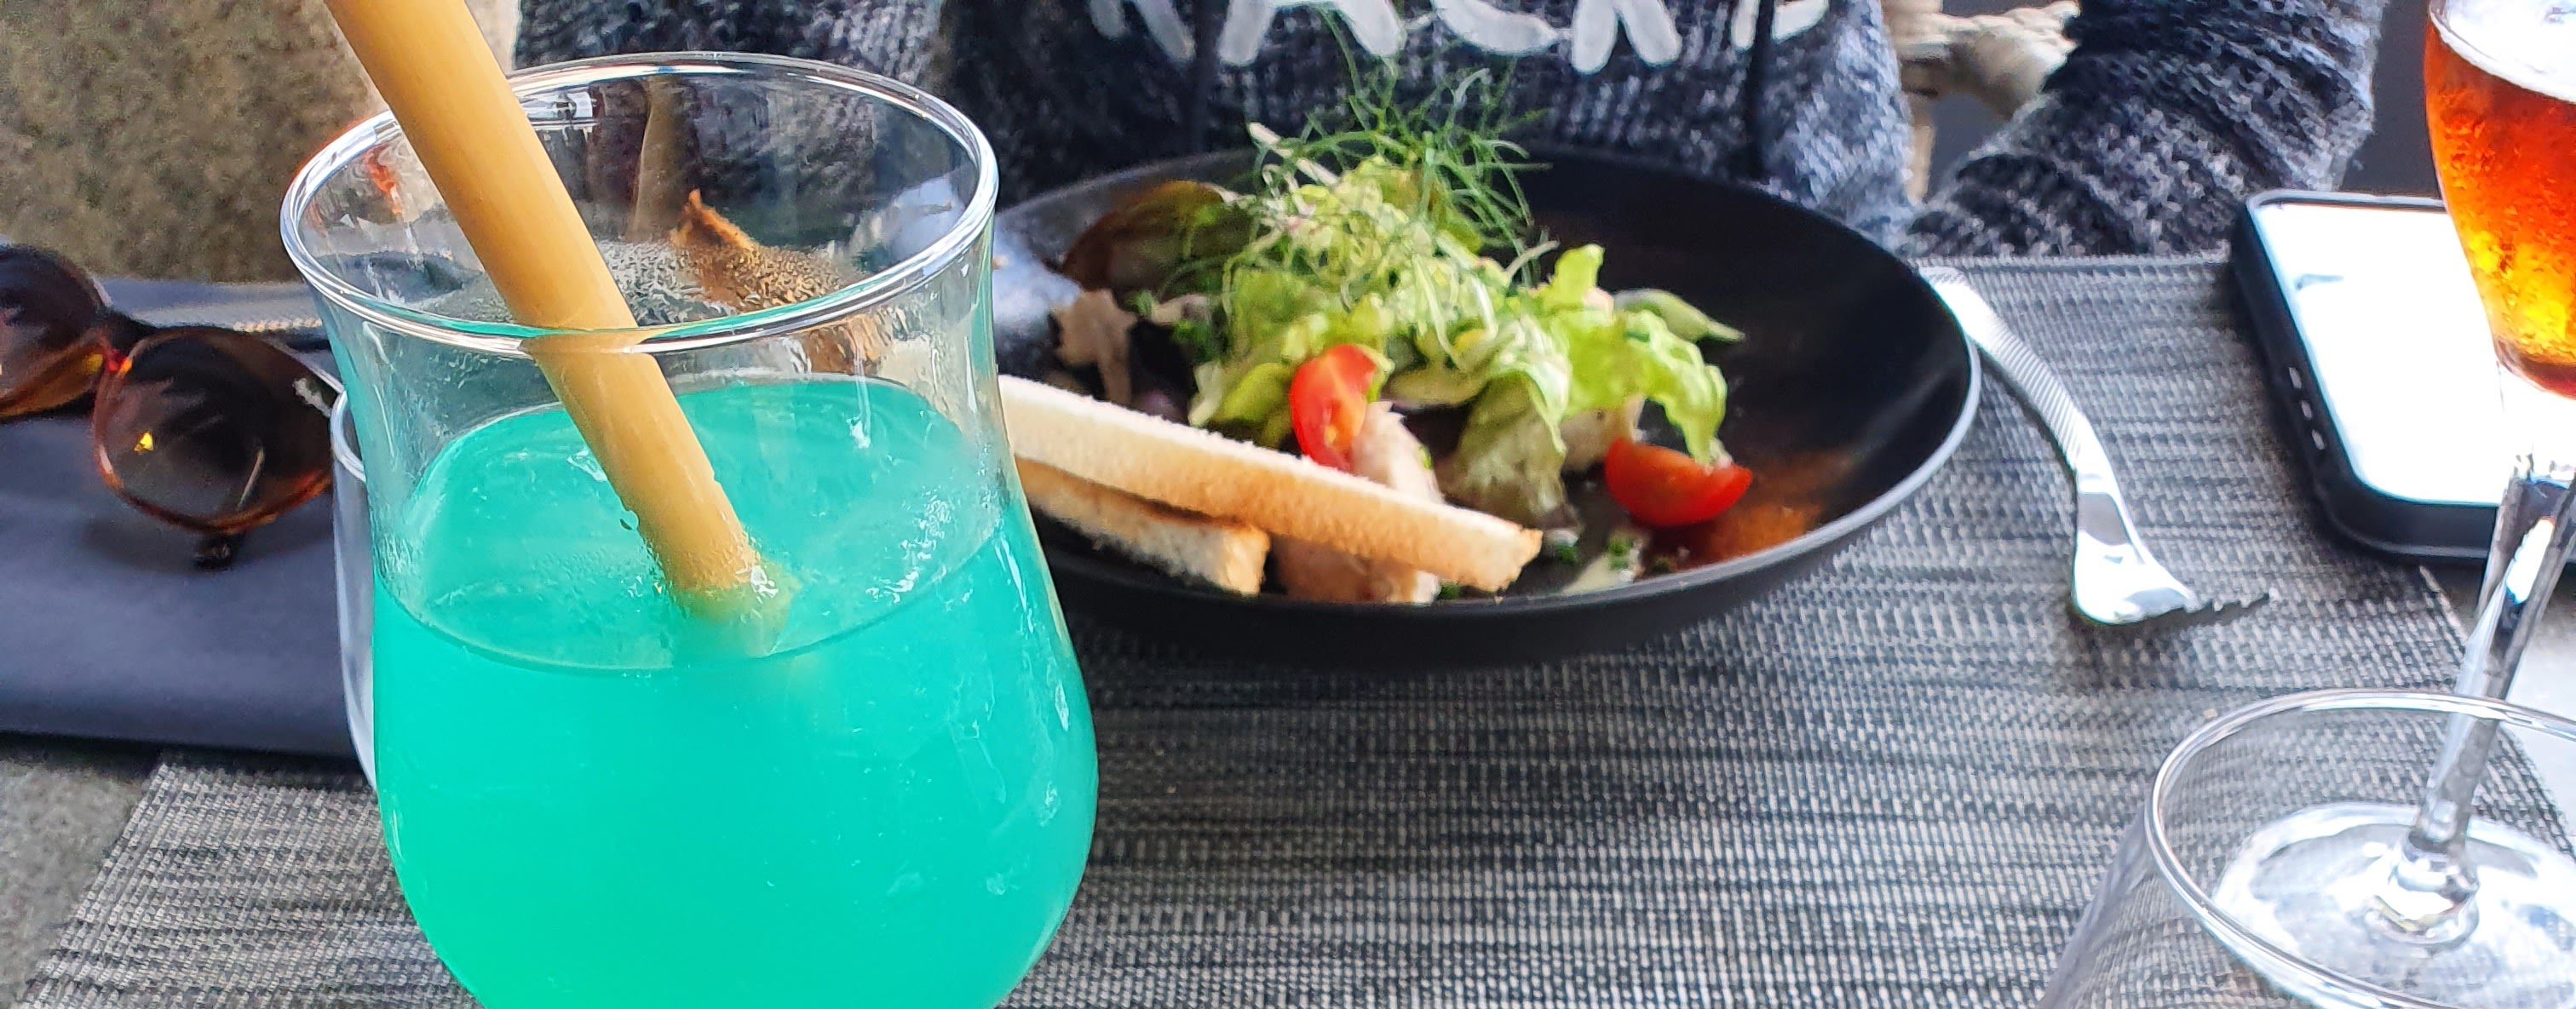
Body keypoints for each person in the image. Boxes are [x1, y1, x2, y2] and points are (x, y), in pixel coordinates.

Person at [520, 0, 2386, 256]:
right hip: (1052, 463)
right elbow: (674, 143)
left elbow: (2250, 42)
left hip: (1788, 488)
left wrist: (1945, 318)